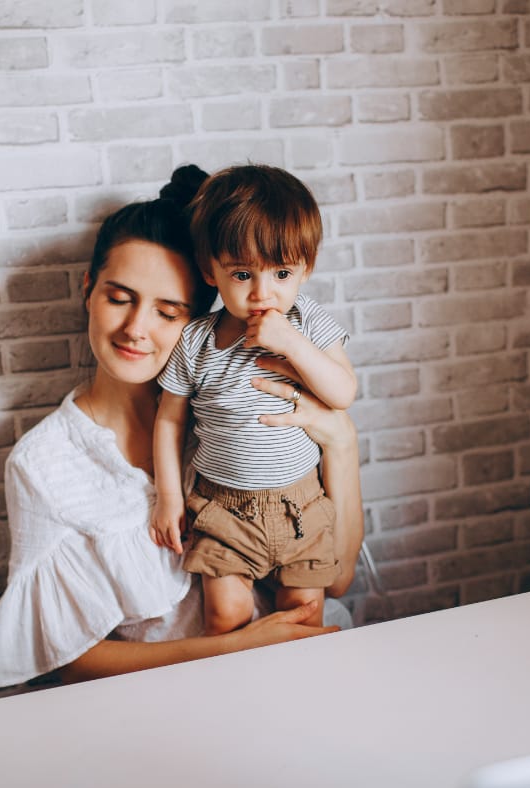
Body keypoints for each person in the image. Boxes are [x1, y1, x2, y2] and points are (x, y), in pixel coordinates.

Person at [0, 165, 363, 688]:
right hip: (182, 705)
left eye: (168, 311)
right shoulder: (44, 464)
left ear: (199, 323)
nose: (136, 329)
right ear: (89, 289)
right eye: (119, 298)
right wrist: (228, 650)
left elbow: (338, 579)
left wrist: (341, 439)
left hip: (308, 675)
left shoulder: (251, 410)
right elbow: (62, 659)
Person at [150, 165, 357, 635]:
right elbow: (169, 421)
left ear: (306, 268)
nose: (264, 293)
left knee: (305, 610)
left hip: (302, 504)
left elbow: (343, 391)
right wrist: (167, 498)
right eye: (243, 274)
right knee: (224, 616)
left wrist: (293, 345)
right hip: (224, 507)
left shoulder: (306, 322)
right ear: (211, 272)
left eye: (281, 273)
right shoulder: (198, 342)